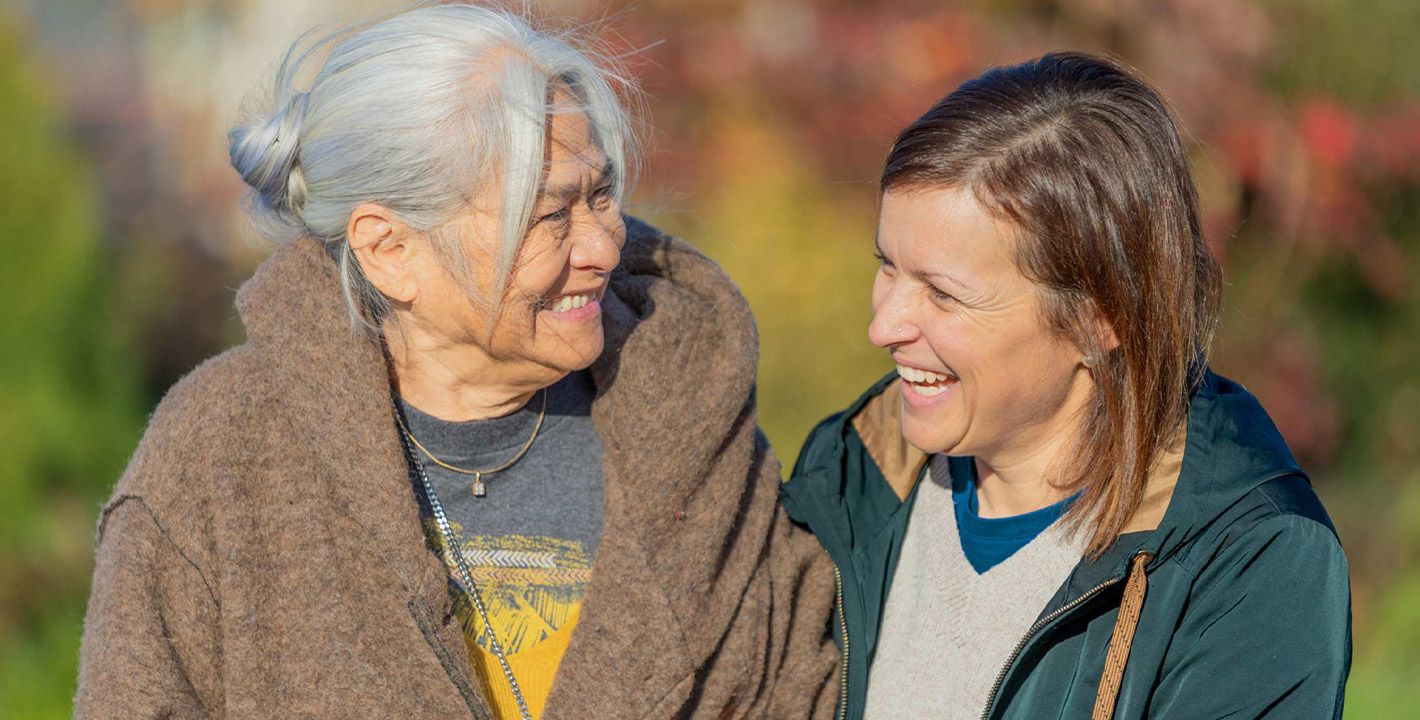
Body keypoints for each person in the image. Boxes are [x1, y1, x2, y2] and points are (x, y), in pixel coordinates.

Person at [75, 5, 838, 718]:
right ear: (390, 252)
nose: (605, 247)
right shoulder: (222, 455)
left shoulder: (691, 432)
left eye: (601, 196)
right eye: (547, 215)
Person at [781, 52, 1351, 720]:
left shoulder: (1250, 565)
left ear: (1098, 317)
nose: (883, 326)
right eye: (888, 267)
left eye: (941, 293)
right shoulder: (855, 470)